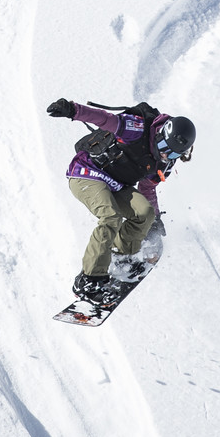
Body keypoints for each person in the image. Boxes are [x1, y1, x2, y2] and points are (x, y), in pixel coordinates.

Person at [47, 97, 196, 305]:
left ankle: (121, 256)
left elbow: (147, 188)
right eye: (164, 146)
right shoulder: (138, 129)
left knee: (144, 213)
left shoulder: (165, 163)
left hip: (116, 184)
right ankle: (88, 280)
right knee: (111, 217)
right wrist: (73, 110)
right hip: (87, 172)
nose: (165, 153)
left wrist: (154, 219)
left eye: (172, 153)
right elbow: (104, 119)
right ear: (161, 134)